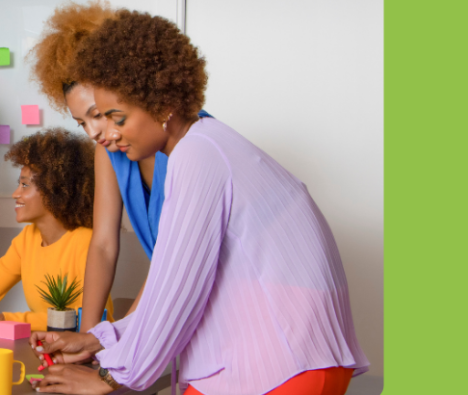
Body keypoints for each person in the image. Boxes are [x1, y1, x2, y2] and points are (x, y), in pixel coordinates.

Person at [28, 10, 369, 395]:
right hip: (278, 354)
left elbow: (178, 290)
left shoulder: (198, 156)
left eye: (115, 117)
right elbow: (178, 289)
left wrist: (109, 377)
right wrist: (103, 339)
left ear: (160, 102)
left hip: (285, 360)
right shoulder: (204, 145)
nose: (107, 134)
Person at [29, 1, 211, 331]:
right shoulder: (108, 152)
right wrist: (89, 334)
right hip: (174, 297)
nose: (94, 132)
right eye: (80, 122)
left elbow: (171, 261)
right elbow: (102, 245)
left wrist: (119, 338)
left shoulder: (191, 146)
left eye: (99, 115)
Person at [0, 129, 113, 334]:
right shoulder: (26, 240)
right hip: (44, 348)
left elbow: (87, 317)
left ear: (53, 189)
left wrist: (10, 319)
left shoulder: (87, 242)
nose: (16, 194)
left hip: (88, 353)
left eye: (25, 185)